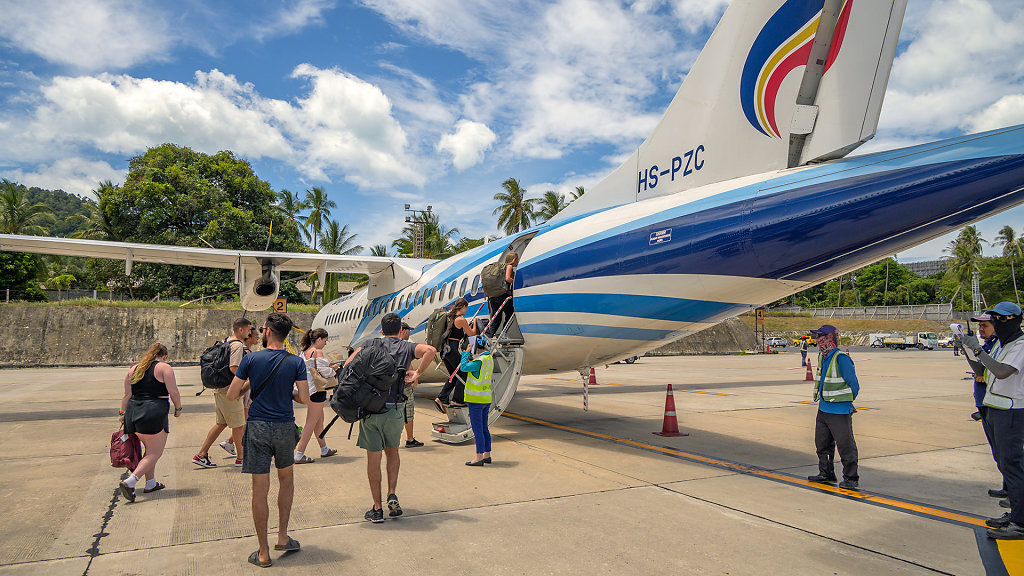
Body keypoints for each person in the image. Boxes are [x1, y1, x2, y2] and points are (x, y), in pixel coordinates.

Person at [226, 313, 309, 568]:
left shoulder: (251, 359)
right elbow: (303, 398)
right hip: (285, 426)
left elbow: (231, 395)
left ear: (269, 332)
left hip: (258, 428)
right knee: (286, 482)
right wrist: (288, 391)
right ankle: (282, 536)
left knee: (259, 489)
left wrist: (251, 382)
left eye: (262, 329)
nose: (260, 332)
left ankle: (263, 552)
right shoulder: (296, 362)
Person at [345, 312, 435, 523]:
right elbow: (430, 350)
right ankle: (391, 493)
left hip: (371, 409)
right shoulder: (407, 347)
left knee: (373, 457)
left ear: (382, 330)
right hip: (395, 408)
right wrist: (418, 373)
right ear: (400, 330)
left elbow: (350, 364)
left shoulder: (371, 343)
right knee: (392, 452)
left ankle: (377, 508)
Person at [959, 302, 1024, 540]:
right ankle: (1017, 514)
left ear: (1014, 321)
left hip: (1011, 412)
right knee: (1007, 465)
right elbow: (984, 371)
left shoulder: (1020, 345)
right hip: (996, 409)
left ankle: (1020, 523)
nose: (994, 324)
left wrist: (979, 350)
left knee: (1014, 466)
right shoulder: (1002, 345)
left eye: (998, 320)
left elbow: (1002, 372)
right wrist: (969, 349)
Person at [118, 342, 182, 502]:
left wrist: (122, 414)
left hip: (133, 413)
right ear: (164, 356)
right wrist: (178, 408)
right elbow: (173, 391)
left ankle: (150, 483)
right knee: (154, 453)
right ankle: (130, 481)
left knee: (148, 451)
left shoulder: (133, 370)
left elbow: (126, 395)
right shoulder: (164, 367)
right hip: (152, 412)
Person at [805, 324, 861, 490]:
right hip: (823, 409)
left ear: (830, 337)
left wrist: (847, 402)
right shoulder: (823, 357)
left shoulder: (841, 358)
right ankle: (826, 473)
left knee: (845, 445)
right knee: (822, 444)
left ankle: (851, 478)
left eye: (821, 336)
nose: (818, 340)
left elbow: (854, 385)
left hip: (839, 411)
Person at [192, 318, 251, 469]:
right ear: (241, 330)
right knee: (238, 425)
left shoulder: (227, 341)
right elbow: (234, 367)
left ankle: (201, 454)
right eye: (248, 330)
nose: (250, 332)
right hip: (229, 390)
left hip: (220, 389)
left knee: (222, 423)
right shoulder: (237, 345)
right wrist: (246, 379)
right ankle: (241, 458)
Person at [294, 328, 338, 463]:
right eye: (325, 340)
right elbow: (325, 372)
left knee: (319, 421)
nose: (325, 343)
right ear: (319, 339)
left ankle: (324, 448)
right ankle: (299, 453)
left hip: (307, 390)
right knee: (311, 422)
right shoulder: (317, 351)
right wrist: (333, 369)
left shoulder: (304, 352)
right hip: (317, 391)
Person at [436, 298, 480, 411]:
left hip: (444, 350)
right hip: (452, 349)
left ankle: (442, 398)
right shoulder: (461, 319)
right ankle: (457, 401)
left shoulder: (449, 317)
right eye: (467, 308)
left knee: (454, 375)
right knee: (463, 373)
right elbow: (472, 334)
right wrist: (475, 322)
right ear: (464, 307)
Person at [462, 336, 494, 466]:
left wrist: (465, 353)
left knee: (477, 430)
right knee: (484, 428)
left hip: (475, 400)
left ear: (476, 347)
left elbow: (464, 367)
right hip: (486, 398)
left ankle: (479, 457)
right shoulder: (488, 359)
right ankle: (487, 455)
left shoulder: (478, 362)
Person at [399, 322, 424, 447]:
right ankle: (409, 439)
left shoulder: (387, 343)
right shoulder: (404, 345)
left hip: (391, 385)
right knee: (408, 411)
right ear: (402, 330)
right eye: (409, 330)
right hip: (404, 384)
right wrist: (415, 376)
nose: (410, 333)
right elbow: (406, 363)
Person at [486, 252, 518, 338]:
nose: (518, 262)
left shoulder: (500, 268)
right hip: (503, 296)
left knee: (496, 317)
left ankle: (489, 335)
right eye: (517, 259)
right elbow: (507, 278)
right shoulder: (509, 266)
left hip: (493, 297)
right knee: (510, 313)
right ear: (513, 259)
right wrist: (516, 282)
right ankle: (503, 332)